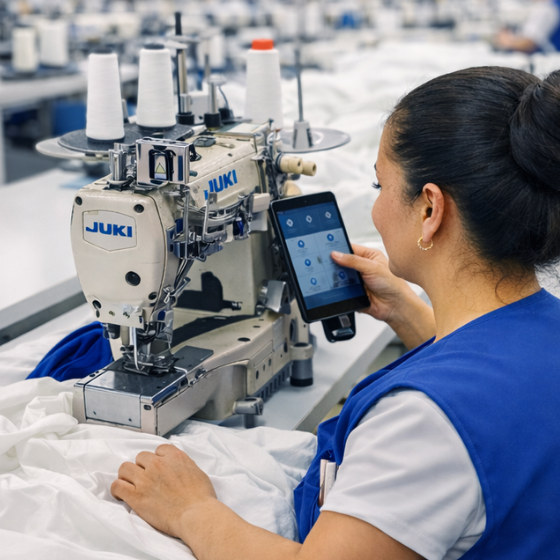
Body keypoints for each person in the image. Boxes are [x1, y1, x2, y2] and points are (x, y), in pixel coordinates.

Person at [111, 66, 560, 560]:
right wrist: (408, 313)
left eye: (379, 187)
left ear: (430, 210)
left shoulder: (423, 425)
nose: (375, 210)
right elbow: (505, 391)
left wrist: (189, 509)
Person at [495, 0, 560, 53]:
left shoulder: (547, 9)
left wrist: (508, 42)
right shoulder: (545, 6)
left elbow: (529, 45)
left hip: (543, 58)